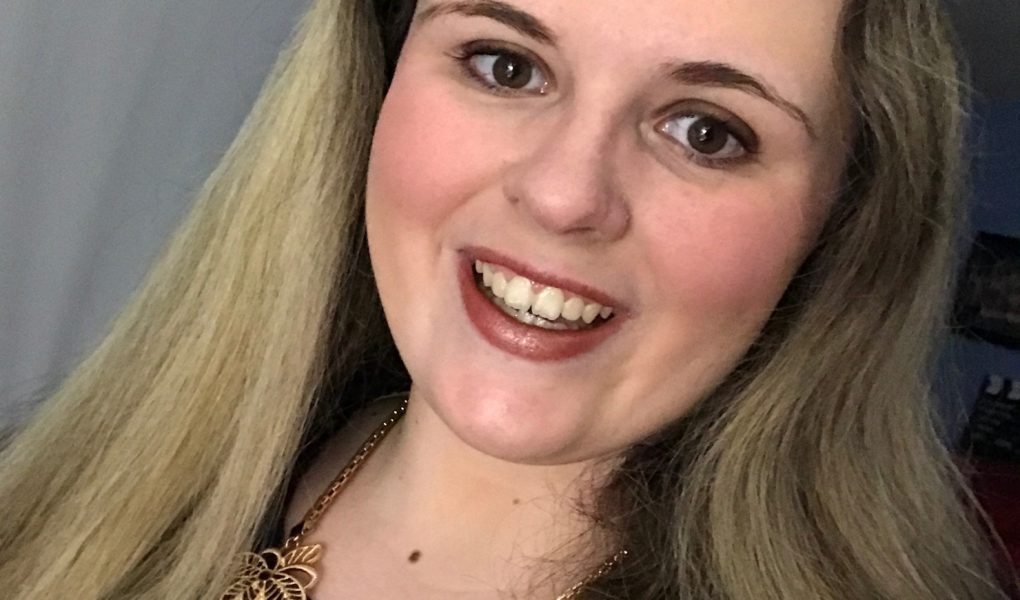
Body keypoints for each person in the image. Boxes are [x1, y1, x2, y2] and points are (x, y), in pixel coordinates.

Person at [0, 0, 1013, 598]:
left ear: (839, 226)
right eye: (506, 64)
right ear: (374, 84)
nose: (565, 196)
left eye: (707, 131)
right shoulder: (69, 492)